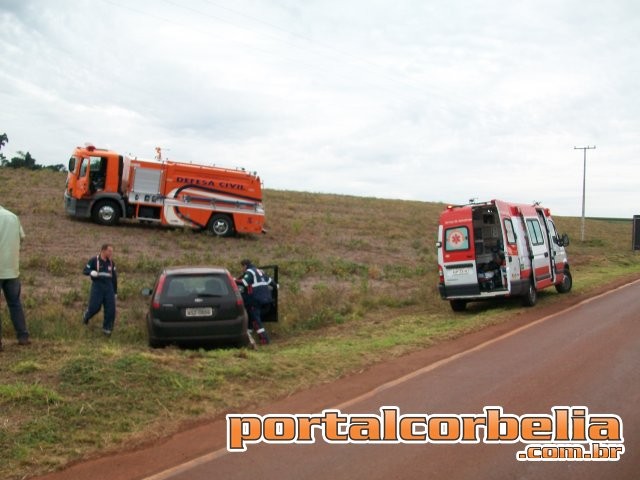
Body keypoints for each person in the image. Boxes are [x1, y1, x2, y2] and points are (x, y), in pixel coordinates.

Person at [0, 205, 30, 350]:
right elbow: (21, 238)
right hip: (12, 270)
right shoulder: (12, 217)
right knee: (15, 304)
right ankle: (23, 336)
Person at [82, 243, 118, 336]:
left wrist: (115, 292)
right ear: (103, 250)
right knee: (95, 307)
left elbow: (114, 278)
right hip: (97, 287)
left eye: (112, 251)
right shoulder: (94, 260)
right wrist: (91, 272)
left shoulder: (111, 263)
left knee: (111, 310)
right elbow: (85, 270)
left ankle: (107, 330)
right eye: (109, 251)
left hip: (109, 288)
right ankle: (87, 315)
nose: (111, 253)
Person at [236, 259, 273, 345]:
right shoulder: (258, 271)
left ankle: (265, 340)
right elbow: (271, 282)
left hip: (255, 300)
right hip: (267, 300)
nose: (242, 269)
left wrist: (233, 279)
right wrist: (276, 287)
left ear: (245, 266)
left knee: (256, 320)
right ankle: (248, 338)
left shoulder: (249, 272)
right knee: (251, 318)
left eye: (242, 267)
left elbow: (244, 283)